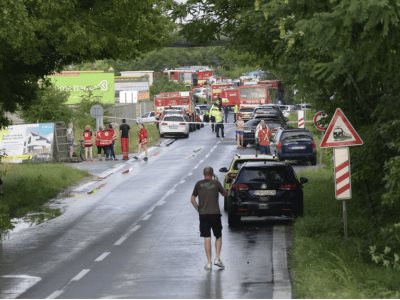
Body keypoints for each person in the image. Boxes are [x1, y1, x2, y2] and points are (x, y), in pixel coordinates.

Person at [191, 166, 227, 270]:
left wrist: (199, 210)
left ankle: (209, 263)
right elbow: (225, 194)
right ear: (212, 174)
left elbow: (192, 199)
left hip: (203, 215)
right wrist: (218, 181)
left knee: (207, 237)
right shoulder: (216, 183)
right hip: (215, 214)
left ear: (204, 174)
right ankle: (218, 258)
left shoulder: (198, 184)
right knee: (218, 236)